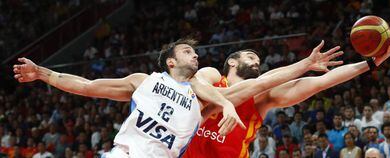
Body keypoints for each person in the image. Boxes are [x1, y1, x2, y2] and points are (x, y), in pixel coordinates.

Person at [13, 38, 245, 157]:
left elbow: (257, 85)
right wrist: (42, 73)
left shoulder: (201, 97)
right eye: (187, 51)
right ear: (170, 62)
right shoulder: (145, 81)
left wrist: (226, 103)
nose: (195, 54)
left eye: (195, 52)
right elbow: (88, 86)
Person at [184, 33, 390, 157]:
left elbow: (321, 82)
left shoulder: (261, 99)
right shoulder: (212, 75)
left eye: (258, 60)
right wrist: (225, 102)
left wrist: (371, 63)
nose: (256, 61)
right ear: (231, 62)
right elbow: (195, 86)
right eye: (250, 57)